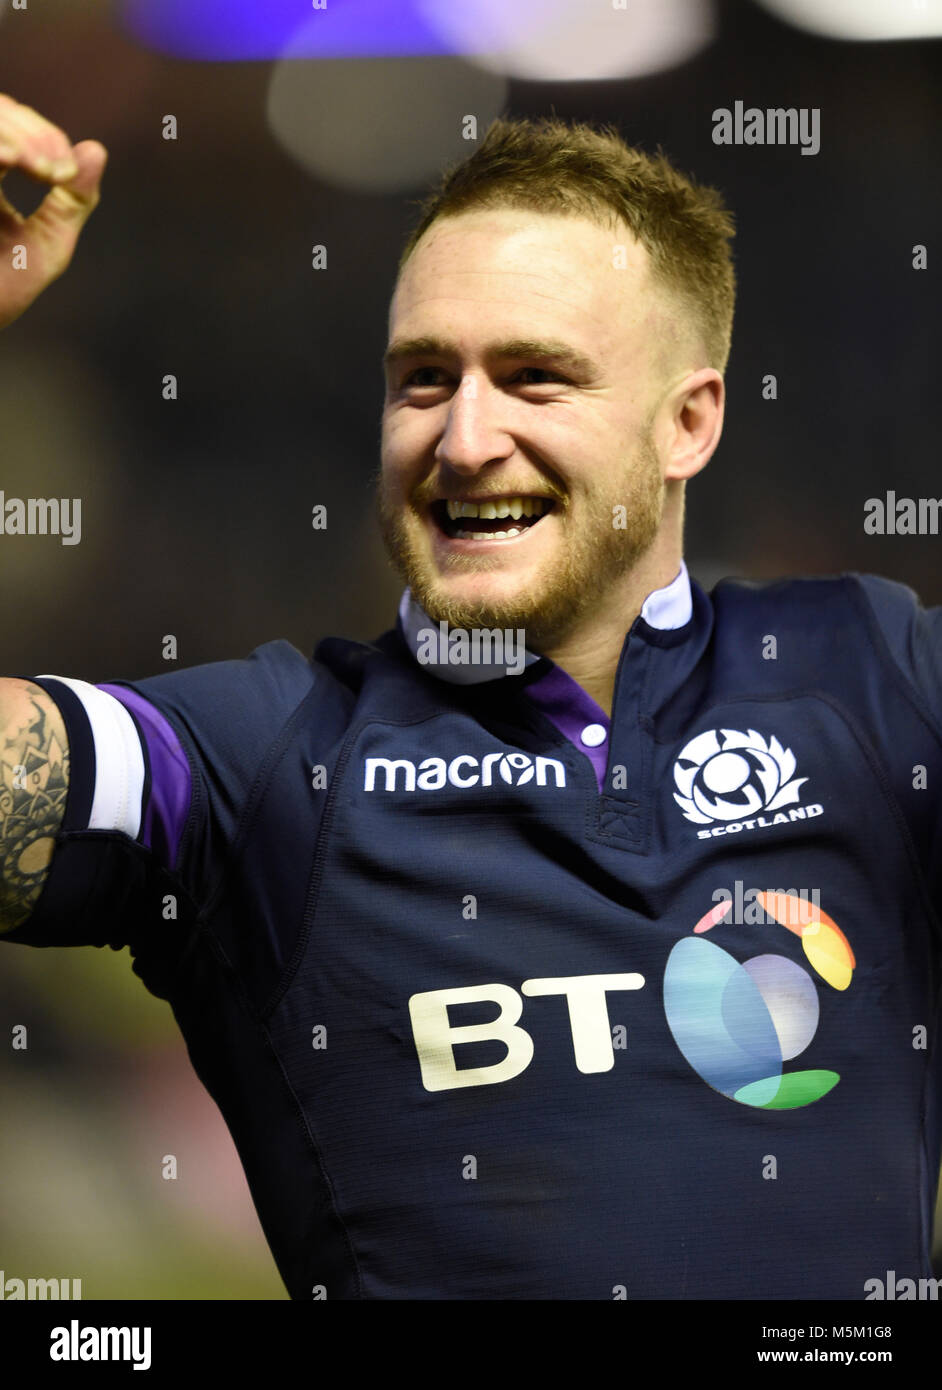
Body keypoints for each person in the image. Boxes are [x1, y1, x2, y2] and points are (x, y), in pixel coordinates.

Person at [1, 94, 940, 1302]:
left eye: (536, 377)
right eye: (424, 378)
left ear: (689, 422)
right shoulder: (260, 764)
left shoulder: (878, 678)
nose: (463, 437)